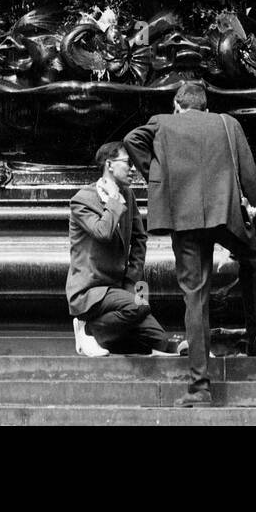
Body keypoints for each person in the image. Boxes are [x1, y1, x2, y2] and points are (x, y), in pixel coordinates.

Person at [124, 82, 256, 407]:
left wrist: (157, 174)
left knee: (195, 298)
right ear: (205, 106)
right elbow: (250, 177)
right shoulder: (227, 122)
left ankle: (199, 388)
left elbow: (131, 140)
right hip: (226, 216)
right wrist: (254, 200)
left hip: (183, 218)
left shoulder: (162, 122)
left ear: (177, 105)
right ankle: (255, 336)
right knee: (252, 260)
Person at [66, 141, 181, 359]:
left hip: (120, 287)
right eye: (128, 163)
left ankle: (107, 337)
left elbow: (140, 238)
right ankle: (87, 330)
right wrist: (114, 200)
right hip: (91, 291)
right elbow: (102, 232)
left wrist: (133, 280)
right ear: (109, 165)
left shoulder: (128, 195)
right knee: (138, 309)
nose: (133, 169)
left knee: (158, 335)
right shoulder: (82, 200)